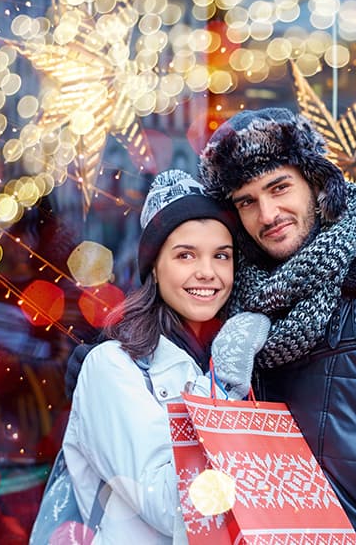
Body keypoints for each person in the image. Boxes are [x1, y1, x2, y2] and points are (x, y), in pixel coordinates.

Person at [198, 107, 356, 544]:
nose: (268, 213)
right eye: (247, 201)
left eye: (280, 188)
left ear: (316, 182)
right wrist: (116, 351)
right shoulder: (236, 297)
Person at [59, 169, 269, 543]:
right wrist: (221, 385)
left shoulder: (242, 356)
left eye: (222, 256)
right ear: (154, 266)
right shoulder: (112, 367)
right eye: (185, 255)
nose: (208, 272)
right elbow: (170, 504)